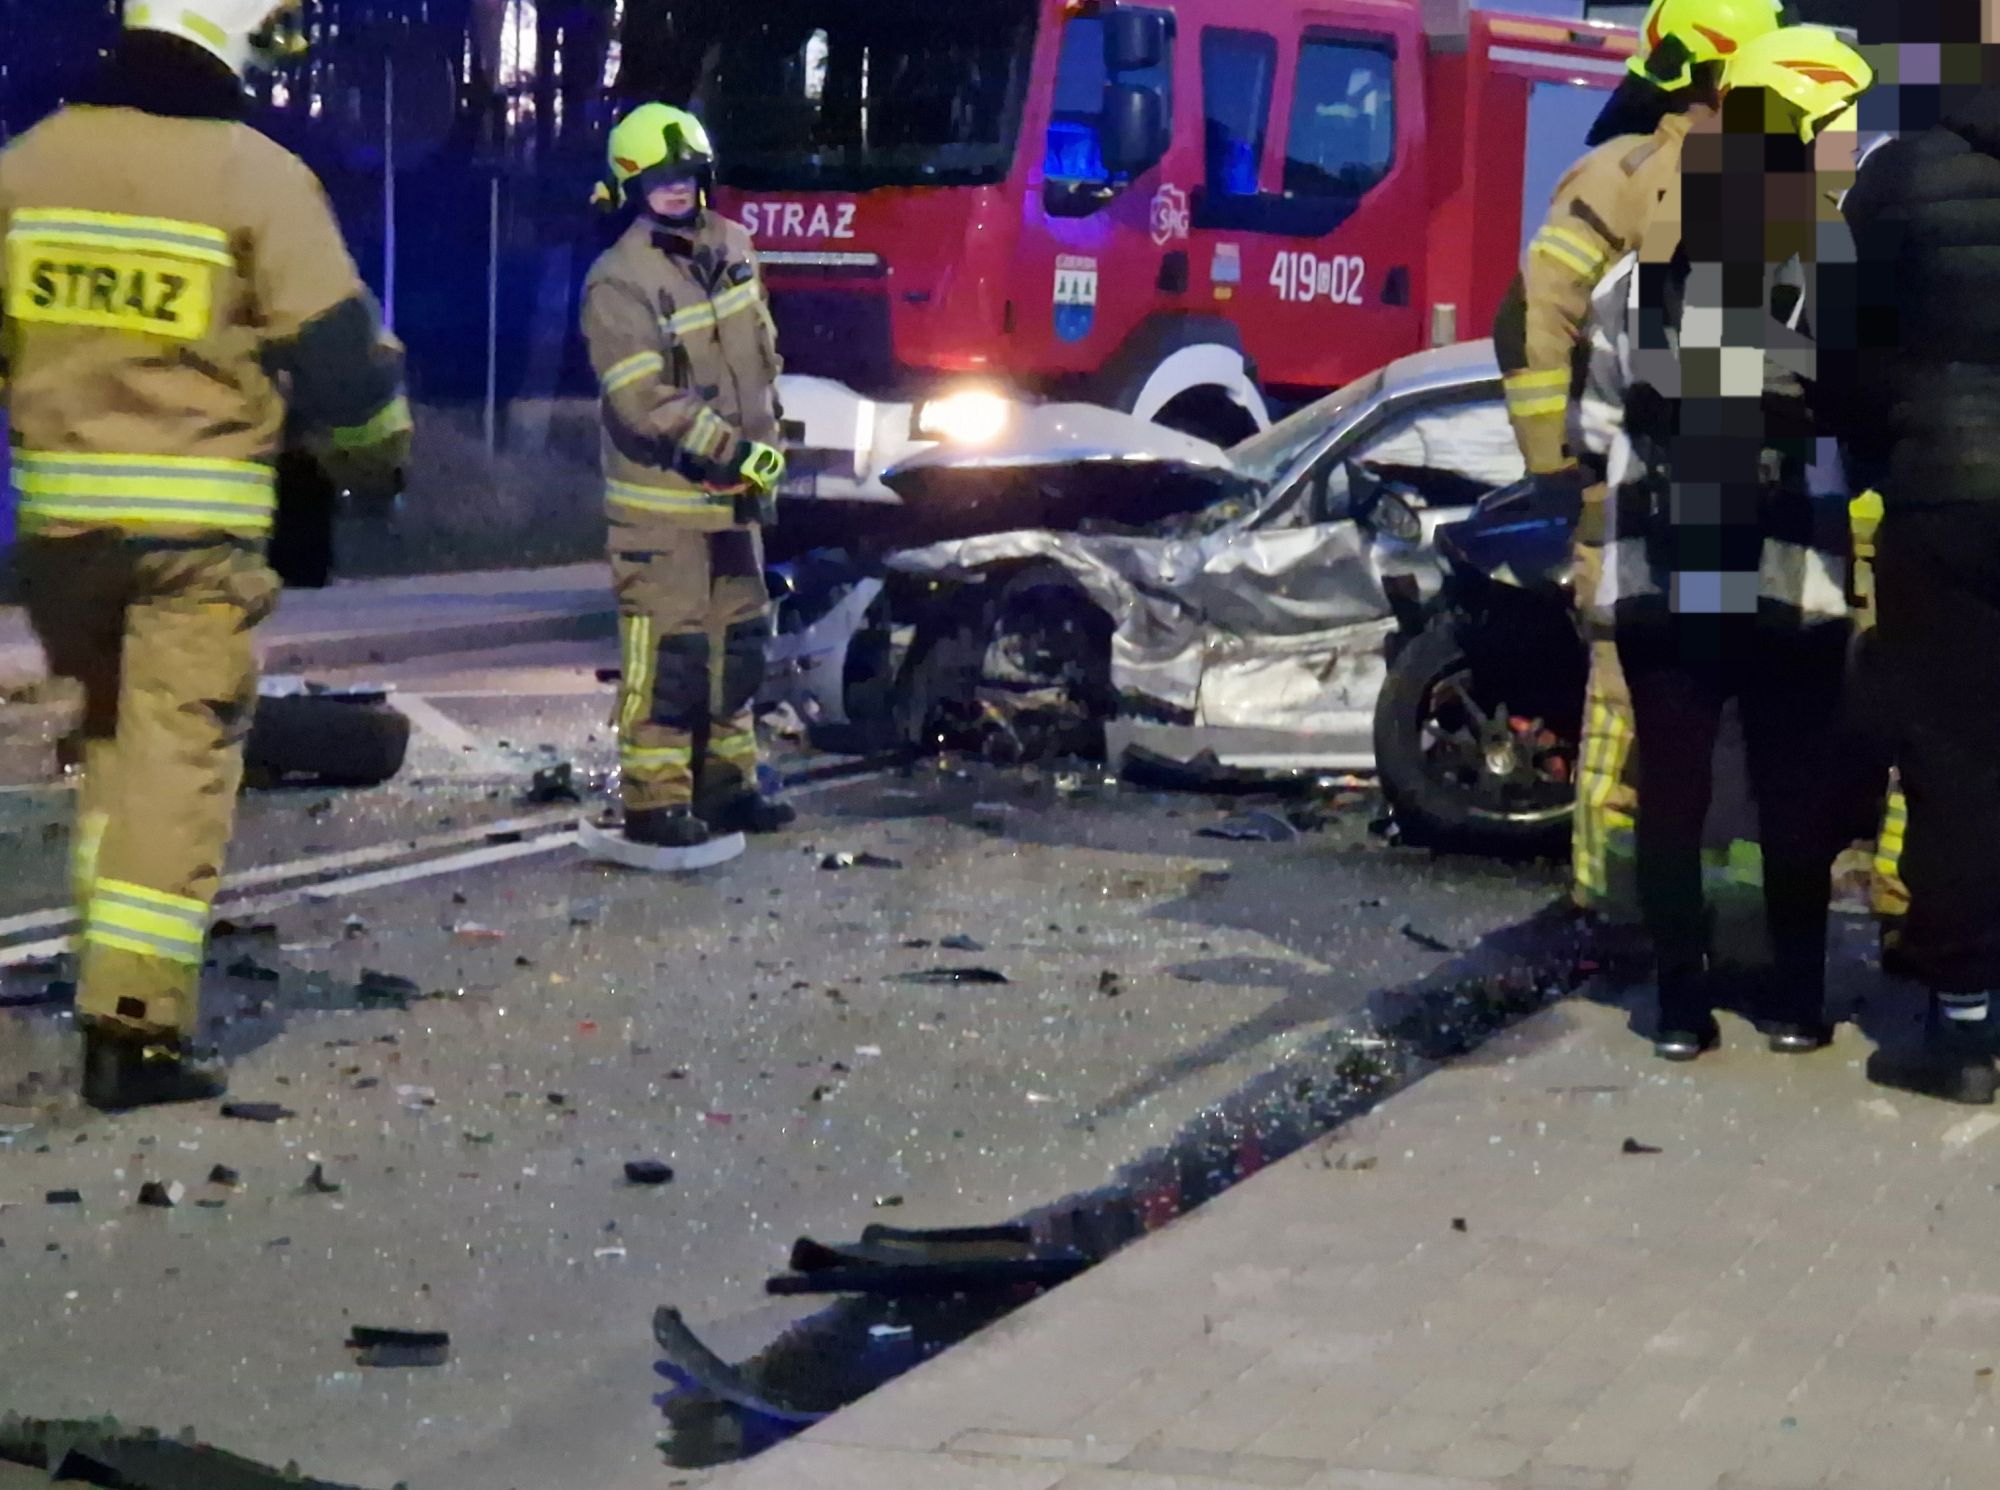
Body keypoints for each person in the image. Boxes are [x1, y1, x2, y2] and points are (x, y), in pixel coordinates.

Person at [0, 0, 409, 1110]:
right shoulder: (256, 177)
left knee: (115, 749)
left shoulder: (27, 166)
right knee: (175, 765)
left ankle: (106, 968)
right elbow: (341, 362)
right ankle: (133, 1031)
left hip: (61, 541)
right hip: (192, 550)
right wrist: (376, 463)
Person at [1584, 26, 1874, 1061]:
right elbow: (1859, 419)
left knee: (1672, 789)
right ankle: (1794, 1003)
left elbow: (1594, 423)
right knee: (1793, 788)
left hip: (1663, 568)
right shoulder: (1826, 276)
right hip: (1790, 573)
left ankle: (1676, 1007)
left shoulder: (1633, 281)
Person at [1494, 0, 1783, 918]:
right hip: (1635, 497)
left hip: (1727, 502)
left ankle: (1706, 919)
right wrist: (1560, 470)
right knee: (1631, 711)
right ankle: (1614, 913)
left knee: (1713, 719)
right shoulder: (1623, 178)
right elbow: (1538, 323)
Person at [1842, 3, 2000, 1104]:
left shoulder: (1900, 177)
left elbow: (1845, 352)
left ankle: (1959, 1028)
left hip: (1943, 501)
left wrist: (1884, 451)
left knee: (1952, 764)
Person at [582, 104, 793, 854]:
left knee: (737, 647)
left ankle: (729, 785)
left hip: (737, 503)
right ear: (629, 188)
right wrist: (731, 450)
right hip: (663, 510)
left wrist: (768, 444)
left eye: (685, 175)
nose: (675, 188)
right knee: (670, 659)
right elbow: (642, 400)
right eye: (657, 179)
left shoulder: (734, 245)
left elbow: (760, 363)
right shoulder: (619, 280)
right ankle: (655, 802)